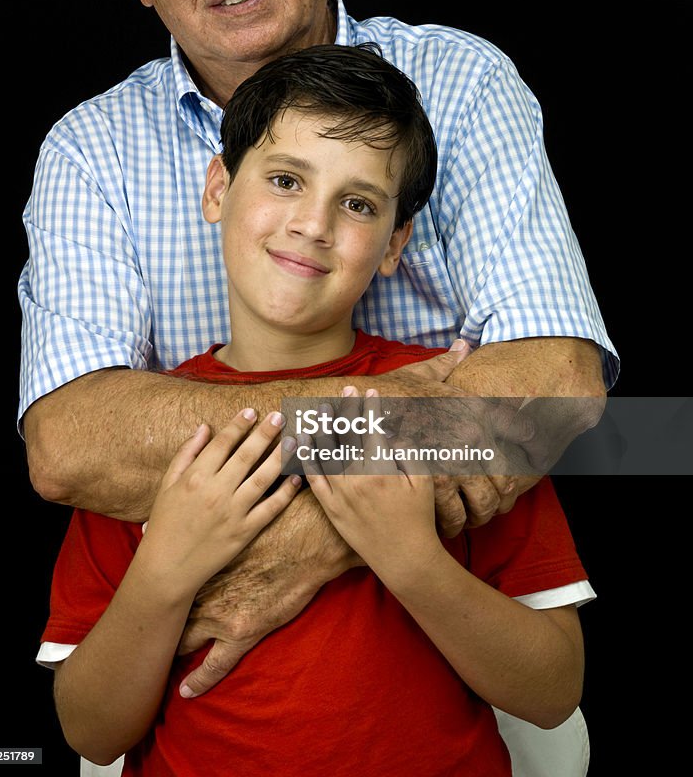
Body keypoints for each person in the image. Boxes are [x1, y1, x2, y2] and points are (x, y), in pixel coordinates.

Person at [19, 0, 616, 692]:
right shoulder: (90, 150)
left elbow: (555, 387)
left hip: (455, 666)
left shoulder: (461, 84)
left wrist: (320, 535)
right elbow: (72, 442)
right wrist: (403, 426)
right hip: (198, 688)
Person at [40, 45, 593, 776]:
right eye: (284, 180)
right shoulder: (142, 435)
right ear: (218, 189)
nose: (313, 223)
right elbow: (90, 731)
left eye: (358, 203)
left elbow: (553, 693)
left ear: (397, 241)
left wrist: (409, 558)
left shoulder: (453, 416)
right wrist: (166, 569)